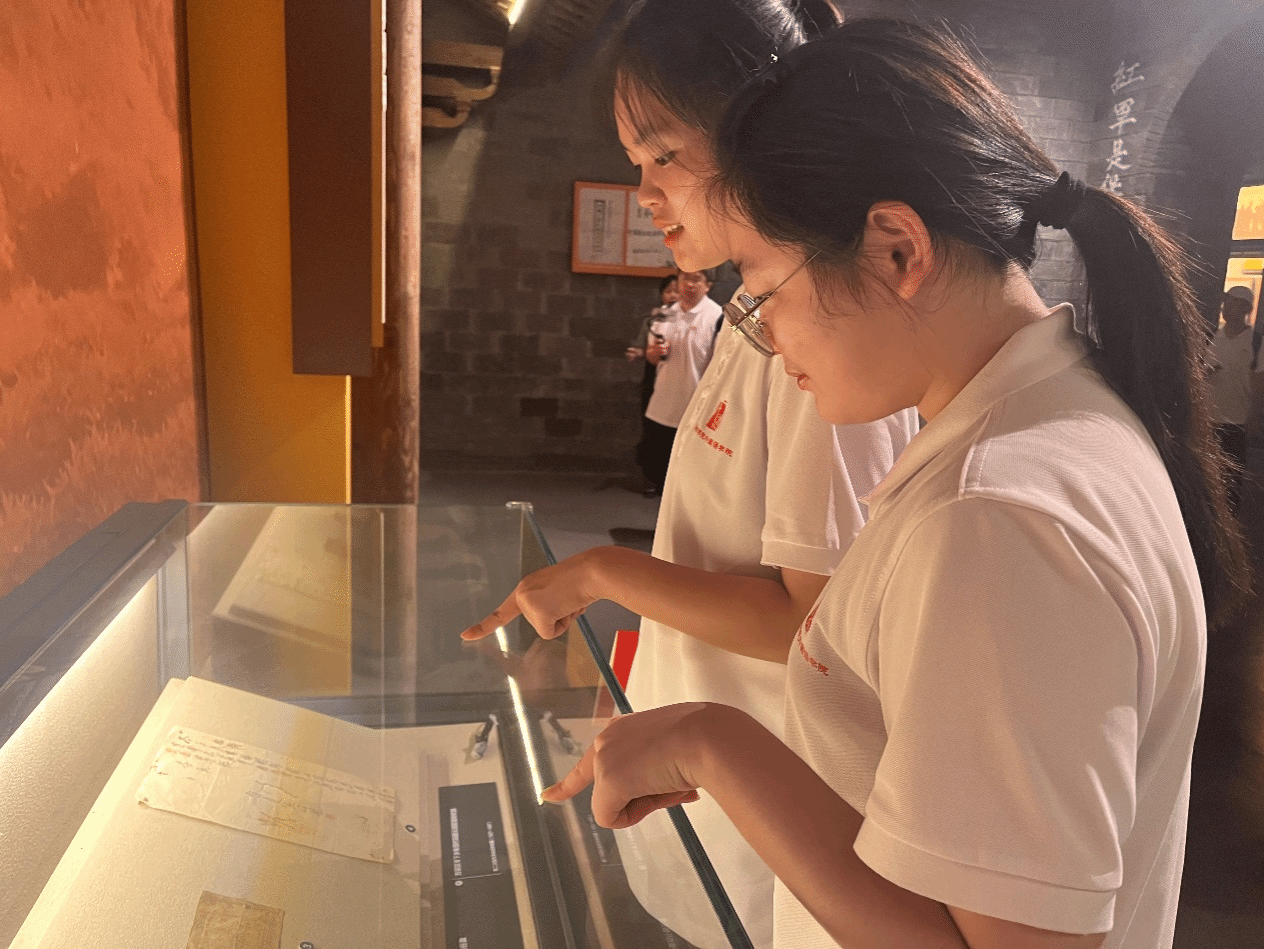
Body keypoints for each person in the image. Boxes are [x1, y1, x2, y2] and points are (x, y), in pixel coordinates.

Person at [537, 17, 1251, 949]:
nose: (765, 333)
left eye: (764, 288)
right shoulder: (1038, 424)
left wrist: (713, 742)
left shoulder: (997, 518)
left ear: (896, 251)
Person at [463, 2, 918, 946]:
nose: (644, 192)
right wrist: (635, 677)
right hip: (691, 785)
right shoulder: (757, 315)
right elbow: (711, 551)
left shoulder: (820, 344)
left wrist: (602, 572)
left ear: (762, 133)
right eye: (636, 161)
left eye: (665, 155)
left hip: (764, 820)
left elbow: (813, 623)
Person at [636, 268, 722, 497]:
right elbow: (652, 356)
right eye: (685, 278)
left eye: (696, 279)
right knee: (659, 464)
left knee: (690, 473)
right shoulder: (663, 314)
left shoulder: (718, 317)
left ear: (708, 285)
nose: (689, 284)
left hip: (697, 406)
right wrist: (654, 353)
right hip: (663, 402)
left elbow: (721, 365)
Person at [1207, 284, 1263, 509]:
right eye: (1226, 302)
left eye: (1233, 303)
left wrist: (1254, 417)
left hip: (1236, 423)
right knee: (1205, 475)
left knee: (1230, 481)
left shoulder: (1256, 342)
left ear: (1246, 309)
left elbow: (1259, 384)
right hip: (1208, 420)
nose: (1226, 307)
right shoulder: (1212, 336)